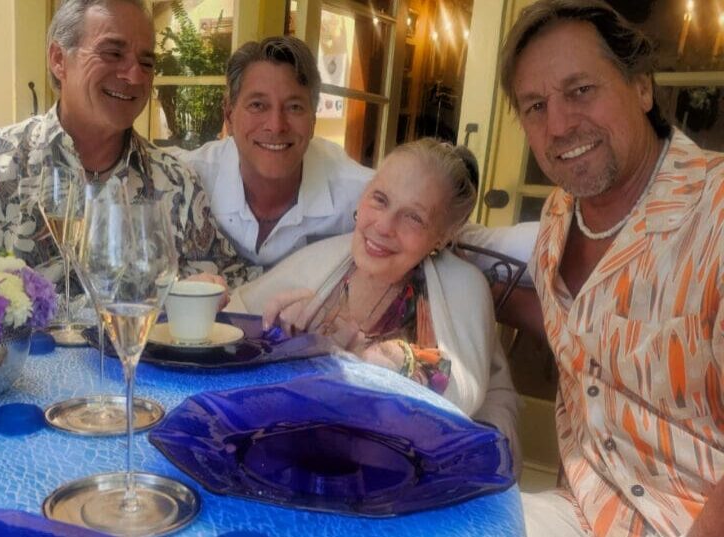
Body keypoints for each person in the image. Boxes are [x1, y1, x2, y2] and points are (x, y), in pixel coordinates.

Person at [500, 1, 724, 536]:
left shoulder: (714, 213)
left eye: (581, 90)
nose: (558, 125)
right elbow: (589, 353)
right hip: (585, 509)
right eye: (536, 106)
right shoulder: (559, 215)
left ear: (642, 88)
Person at [228, 138, 521, 475]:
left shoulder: (462, 286)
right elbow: (235, 329)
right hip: (293, 458)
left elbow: (458, 398)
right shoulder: (323, 259)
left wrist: (370, 360)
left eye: (413, 217)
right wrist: (275, 335)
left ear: (442, 236)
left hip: (398, 476)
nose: (383, 226)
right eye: (380, 199)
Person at [0, 0, 251, 287]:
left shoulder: (176, 183)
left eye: (146, 63)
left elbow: (229, 285)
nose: (134, 76)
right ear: (58, 59)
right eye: (112, 54)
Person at [176, 36, 373, 268]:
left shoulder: (360, 197)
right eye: (257, 105)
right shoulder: (186, 179)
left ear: (313, 120)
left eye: (294, 107)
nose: (276, 126)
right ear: (229, 115)